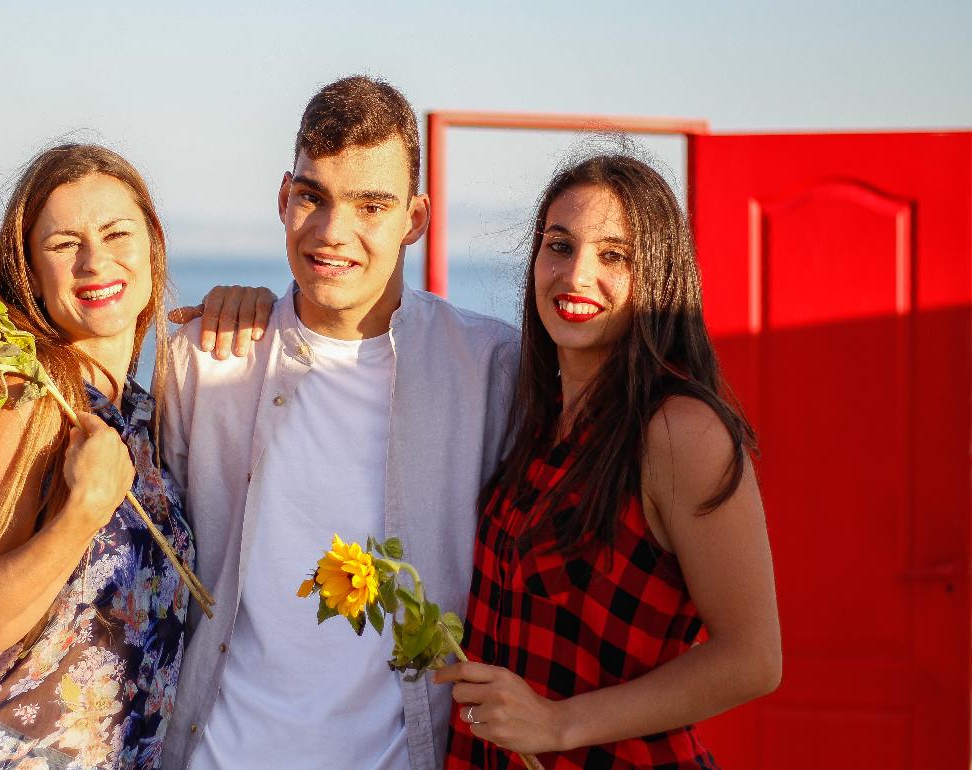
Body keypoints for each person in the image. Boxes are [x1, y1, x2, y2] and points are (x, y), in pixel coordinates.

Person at [159, 76, 520, 770]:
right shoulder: (203, 360)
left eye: (371, 206)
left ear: (415, 219)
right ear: (282, 198)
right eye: (312, 197)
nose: (332, 232)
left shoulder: (491, 368)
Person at [0, 144, 238, 769]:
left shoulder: (141, 416)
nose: (95, 261)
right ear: (30, 271)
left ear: (152, 246)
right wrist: (83, 510)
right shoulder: (24, 395)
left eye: (118, 233)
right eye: (63, 244)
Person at [436, 155, 782, 769]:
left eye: (614, 255)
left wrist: (558, 723)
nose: (576, 275)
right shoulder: (536, 419)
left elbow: (752, 659)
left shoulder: (679, 430)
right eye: (559, 246)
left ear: (660, 277)